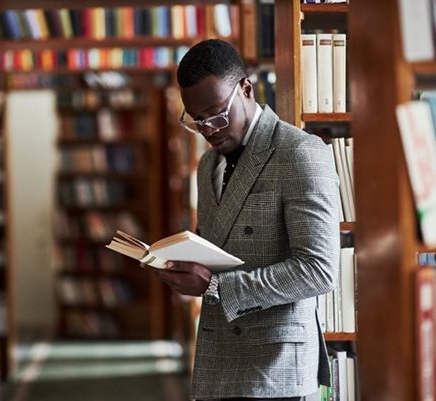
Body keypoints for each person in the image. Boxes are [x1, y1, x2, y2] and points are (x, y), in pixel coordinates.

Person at [143, 39, 340, 401]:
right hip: (218, 356)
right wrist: (178, 262)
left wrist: (217, 287)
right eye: (196, 121)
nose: (209, 130)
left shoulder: (299, 152)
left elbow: (320, 269)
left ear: (246, 89)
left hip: (276, 365)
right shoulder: (206, 165)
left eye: (217, 115)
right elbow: (219, 246)